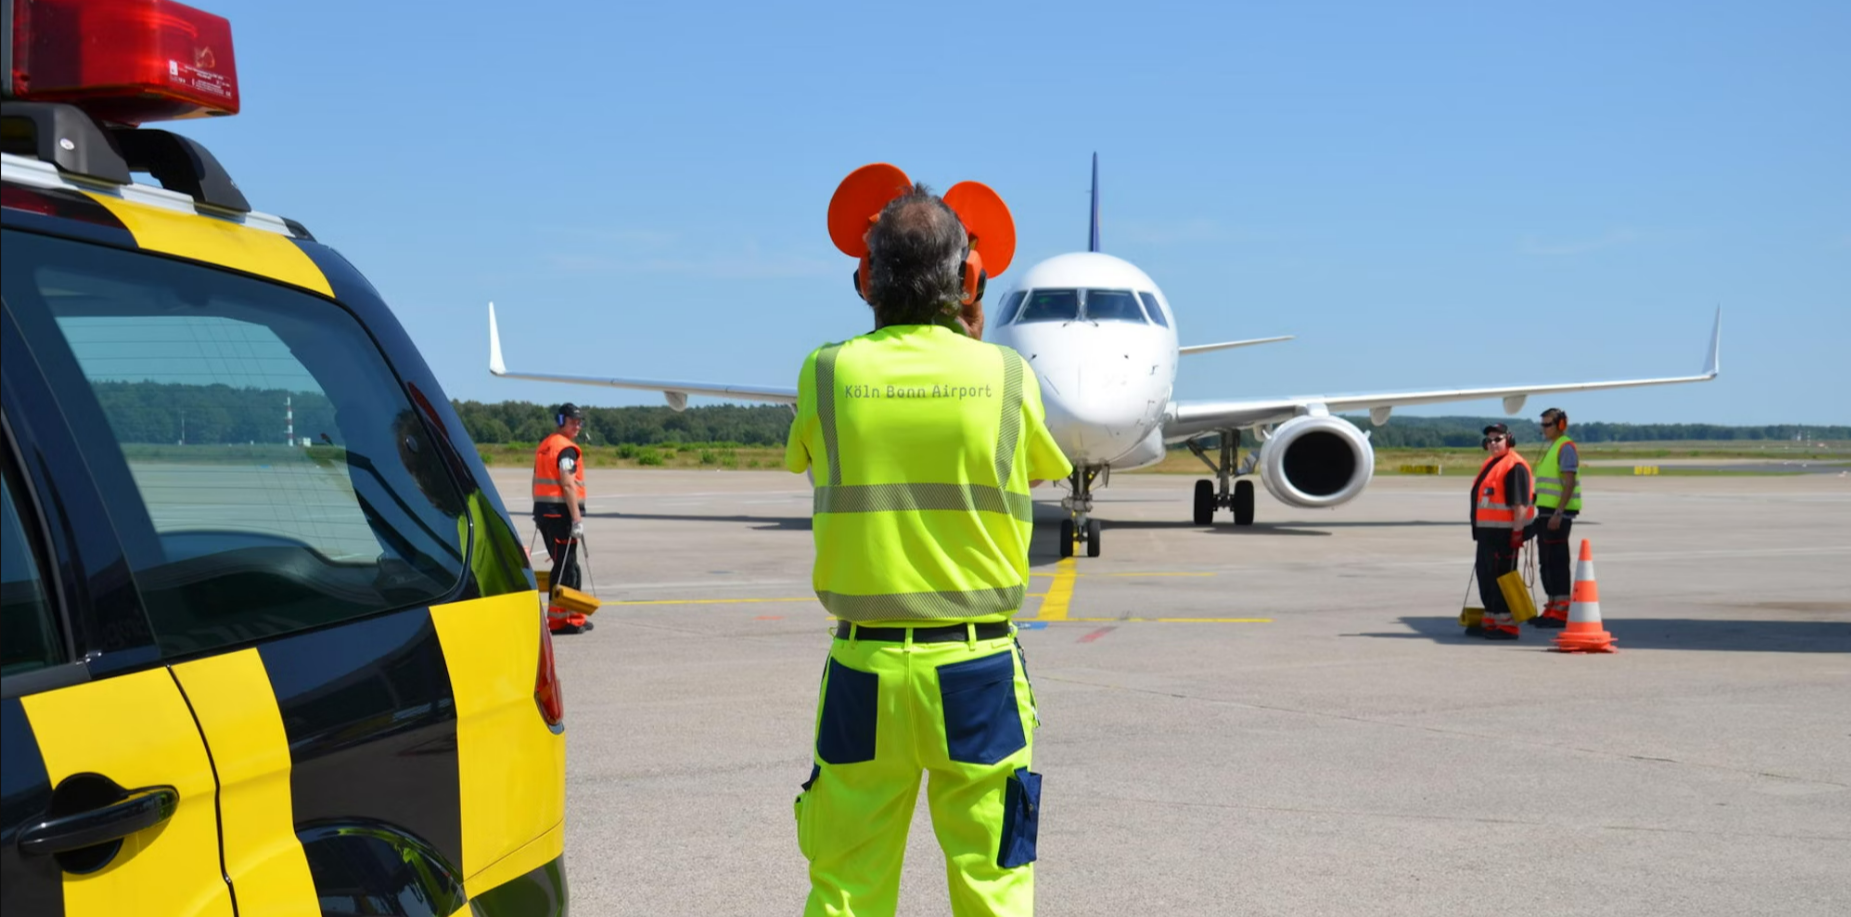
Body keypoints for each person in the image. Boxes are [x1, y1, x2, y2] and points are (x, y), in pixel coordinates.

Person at [785, 184, 1072, 916]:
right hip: (974, 668)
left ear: (865, 279)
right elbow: (1038, 467)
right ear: (967, 278)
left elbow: (812, 458)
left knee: (846, 883)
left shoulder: (826, 373)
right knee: (993, 878)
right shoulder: (1006, 376)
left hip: (864, 669)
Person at [1466, 422, 1534, 640]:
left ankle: (1507, 625)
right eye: (1489, 440)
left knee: (1502, 580)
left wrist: (1517, 532)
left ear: (1509, 440)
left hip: (1504, 536)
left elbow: (1520, 504)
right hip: (1487, 535)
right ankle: (1492, 620)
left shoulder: (1515, 466)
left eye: (1498, 439)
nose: (1493, 443)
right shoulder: (1493, 463)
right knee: (1486, 579)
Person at [533, 403, 592, 634]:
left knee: (568, 565)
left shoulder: (545, 446)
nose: (577, 425)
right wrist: (577, 519)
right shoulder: (565, 449)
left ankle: (575, 616)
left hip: (545, 512)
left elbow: (535, 479)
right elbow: (568, 484)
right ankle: (559, 621)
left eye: (579, 421)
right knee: (565, 567)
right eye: (572, 421)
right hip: (561, 515)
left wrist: (538, 510)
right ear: (561, 421)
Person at [1527, 407, 1581, 628]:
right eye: (1542, 424)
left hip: (1557, 515)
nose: (1543, 429)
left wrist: (1559, 512)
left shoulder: (1565, 447)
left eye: (1548, 424)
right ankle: (1552, 607)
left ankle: (1561, 611)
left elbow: (1568, 482)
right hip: (1545, 513)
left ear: (1560, 425)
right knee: (1546, 563)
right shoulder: (1552, 448)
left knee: (1557, 562)